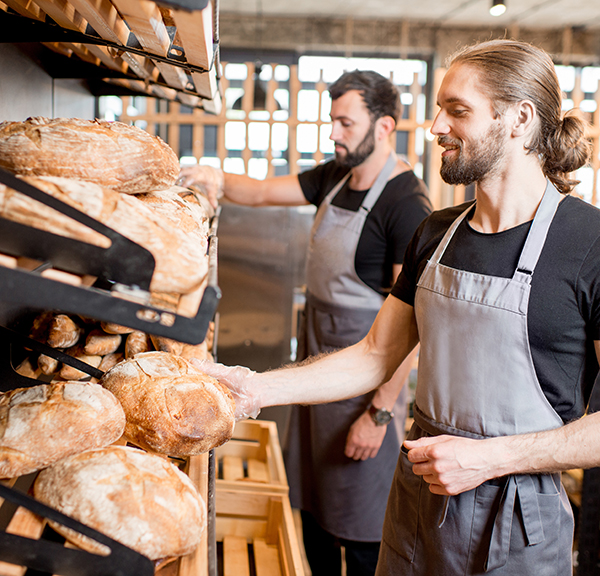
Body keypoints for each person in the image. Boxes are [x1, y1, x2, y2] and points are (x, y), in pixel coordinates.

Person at [193, 38, 600, 576]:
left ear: (519, 119)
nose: (434, 127)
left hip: (519, 524)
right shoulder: (436, 233)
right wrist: (257, 389)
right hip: (417, 504)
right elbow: (376, 354)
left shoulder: (588, 243)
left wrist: (488, 459)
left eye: (457, 111)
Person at [180, 70, 432, 576]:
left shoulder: (407, 204)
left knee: (359, 526)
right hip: (318, 367)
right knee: (314, 511)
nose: (334, 133)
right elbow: (260, 193)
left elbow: (413, 331)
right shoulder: (335, 176)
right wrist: (214, 179)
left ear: (384, 126)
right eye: (332, 120)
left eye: (345, 122)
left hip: (365, 386)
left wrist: (378, 415)